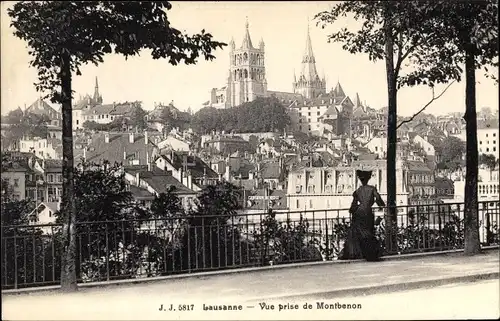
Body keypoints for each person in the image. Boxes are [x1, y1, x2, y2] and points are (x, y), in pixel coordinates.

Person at [340, 170, 386, 261]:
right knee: (369, 232)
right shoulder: (372, 189)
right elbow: (379, 201)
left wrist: (355, 209)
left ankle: (360, 252)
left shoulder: (357, 191)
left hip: (359, 213)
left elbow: (352, 206)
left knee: (360, 233)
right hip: (368, 213)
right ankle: (370, 252)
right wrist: (380, 206)